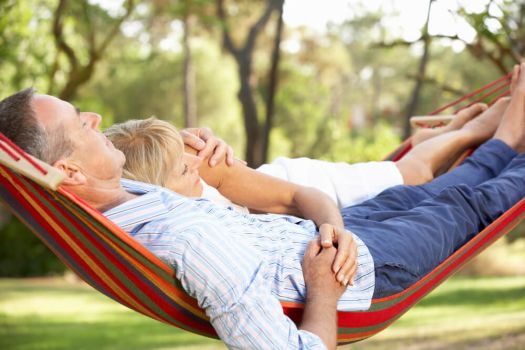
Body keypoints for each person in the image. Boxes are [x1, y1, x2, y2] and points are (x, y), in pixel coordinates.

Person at [0, 63, 524, 350]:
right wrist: (324, 288)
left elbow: (156, 160)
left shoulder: (131, 201)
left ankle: (500, 138)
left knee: (446, 192)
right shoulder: (189, 241)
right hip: (360, 269)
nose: (94, 116)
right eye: (80, 123)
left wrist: (217, 164)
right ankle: (508, 135)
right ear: (67, 171)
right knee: (469, 202)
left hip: (335, 232)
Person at [103, 101, 504, 214]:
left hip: (305, 184)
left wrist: (211, 149)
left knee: (414, 172)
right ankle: (432, 139)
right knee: (403, 171)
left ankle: (471, 130)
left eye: (187, 158)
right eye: (179, 168)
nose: (192, 166)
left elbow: (270, 191)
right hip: (294, 183)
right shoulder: (160, 211)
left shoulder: (196, 178)